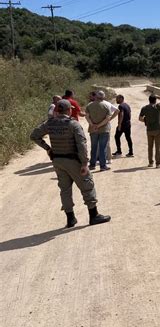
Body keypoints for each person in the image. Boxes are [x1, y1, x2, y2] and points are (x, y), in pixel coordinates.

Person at [30, 99, 111, 227]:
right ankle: (93, 215)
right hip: (74, 161)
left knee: (65, 190)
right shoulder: (73, 124)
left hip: (58, 161)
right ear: (70, 110)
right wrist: (84, 163)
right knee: (87, 185)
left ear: (57, 110)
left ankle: (70, 218)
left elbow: (34, 135)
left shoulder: (49, 123)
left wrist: (48, 148)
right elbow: (81, 144)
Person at [85, 90, 113, 171]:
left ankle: (92, 165)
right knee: (102, 148)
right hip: (104, 130)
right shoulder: (106, 106)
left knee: (93, 147)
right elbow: (107, 118)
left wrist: (92, 125)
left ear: (96, 96)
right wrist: (99, 125)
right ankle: (102, 166)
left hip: (93, 130)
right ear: (103, 97)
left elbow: (87, 116)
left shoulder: (89, 105)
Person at [139, 94, 160, 168]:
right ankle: (158, 164)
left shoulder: (144, 108)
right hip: (158, 129)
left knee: (150, 147)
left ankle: (150, 163)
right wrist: (158, 96)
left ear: (149, 100)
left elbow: (140, 118)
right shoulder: (157, 106)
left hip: (149, 130)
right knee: (157, 147)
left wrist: (146, 121)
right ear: (155, 100)